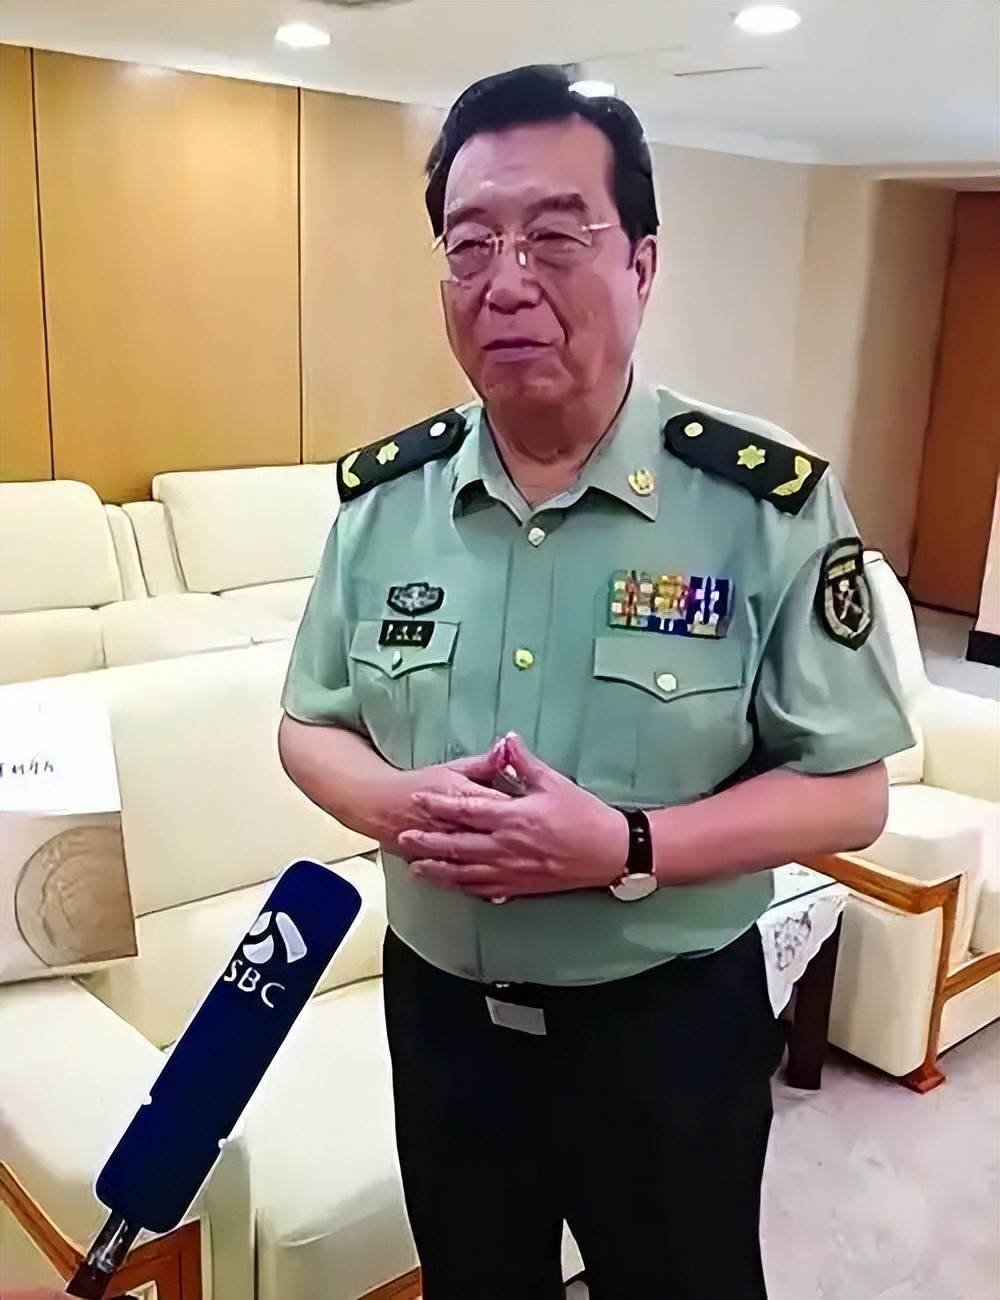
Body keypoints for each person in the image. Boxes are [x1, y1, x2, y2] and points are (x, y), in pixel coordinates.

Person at [278, 64, 914, 1300]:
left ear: (642, 262)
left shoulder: (761, 502)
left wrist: (623, 844)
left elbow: (852, 791)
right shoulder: (382, 504)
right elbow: (310, 723)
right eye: (469, 244)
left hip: (666, 1023)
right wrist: (392, 805)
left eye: (555, 237)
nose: (506, 281)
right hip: (442, 1017)